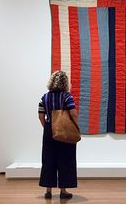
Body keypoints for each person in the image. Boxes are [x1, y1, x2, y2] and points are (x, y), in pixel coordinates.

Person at [38, 70, 78, 199]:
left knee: (48, 159)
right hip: (64, 130)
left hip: (49, 130)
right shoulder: (67, 96)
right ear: (65, 82)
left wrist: (48, 127)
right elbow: (73, 113)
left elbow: (40, 115)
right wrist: (75, 126)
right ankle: (63, 191)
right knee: (65, 159)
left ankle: (48, 191)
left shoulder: (45, 97)